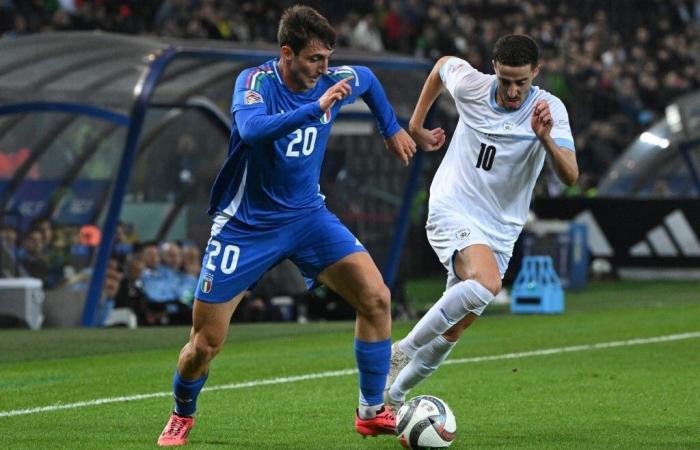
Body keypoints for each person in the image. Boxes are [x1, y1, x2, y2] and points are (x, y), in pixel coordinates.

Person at [157, 5, 416, 446]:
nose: (325, 68)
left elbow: (368, 79)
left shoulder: (332, 80)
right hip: (245, 226)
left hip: (307, 217)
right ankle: (182, 413)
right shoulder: (254, 83)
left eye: (328, 58)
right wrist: (316, 107)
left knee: (376, 298)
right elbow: (254, 130)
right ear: (287, 53)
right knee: (205, 343)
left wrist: (390, 128)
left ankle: (371, 411)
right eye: (315, 59)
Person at [384, 34, 579, 409]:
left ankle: (392, 397)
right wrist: (417, 124)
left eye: (521, 82)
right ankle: (399, 352)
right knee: (487, 283)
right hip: (453, 206)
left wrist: (546, 139)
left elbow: (570, 176)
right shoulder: (473, 85)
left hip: (501, 229)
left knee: (453, 328)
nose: (511, 91)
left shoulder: (548, 110)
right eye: (505, 80)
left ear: (536, 73)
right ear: (494, 69)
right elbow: (442, 66)